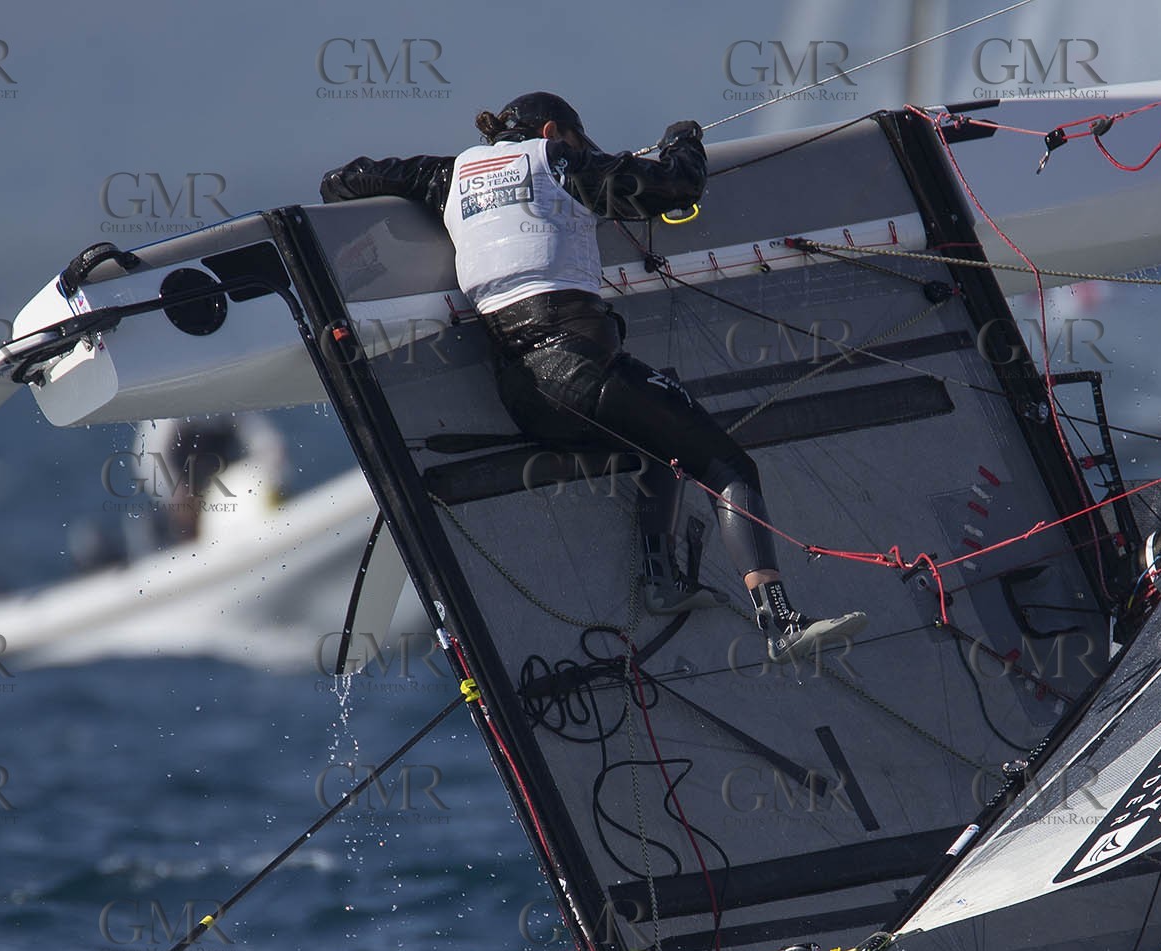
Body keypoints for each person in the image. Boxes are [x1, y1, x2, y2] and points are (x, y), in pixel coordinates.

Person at [320, 92, 864, 663]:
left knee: (660, 425)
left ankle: (664, 584)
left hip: (522, 395)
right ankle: (780, 624)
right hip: (581, 369)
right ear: (555, 130)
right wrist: (684, 138)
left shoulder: (445, 176)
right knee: (729, 465)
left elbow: (345, 180)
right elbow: (677, 187)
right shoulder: (557, 159)